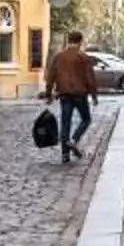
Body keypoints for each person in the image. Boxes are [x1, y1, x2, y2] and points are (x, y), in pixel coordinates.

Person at [44, 32, 98, 164]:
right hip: (80, 94)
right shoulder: (83, 57)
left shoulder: (59, 57)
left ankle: (65, 155)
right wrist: (94, 95)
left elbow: (51, 76)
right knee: (86, 119)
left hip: (64, 94)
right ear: (80, 42)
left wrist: (48, 93)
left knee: (65, 123)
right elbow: (90, 78)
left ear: (68, 41)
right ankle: (74, 140)